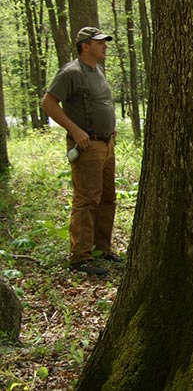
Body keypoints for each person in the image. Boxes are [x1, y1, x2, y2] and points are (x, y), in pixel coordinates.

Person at [41, 27, 120, 276]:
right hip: (87, 146)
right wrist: (75, 131)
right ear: (86, 46)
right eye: (100, 43)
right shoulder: (70, 72)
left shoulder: (98, 70)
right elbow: (48, 103)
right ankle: (80, 258)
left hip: (107, 144)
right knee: (86, 201)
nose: (105, 46)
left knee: (107, 199)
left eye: (104, 42)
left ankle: (102, 249)